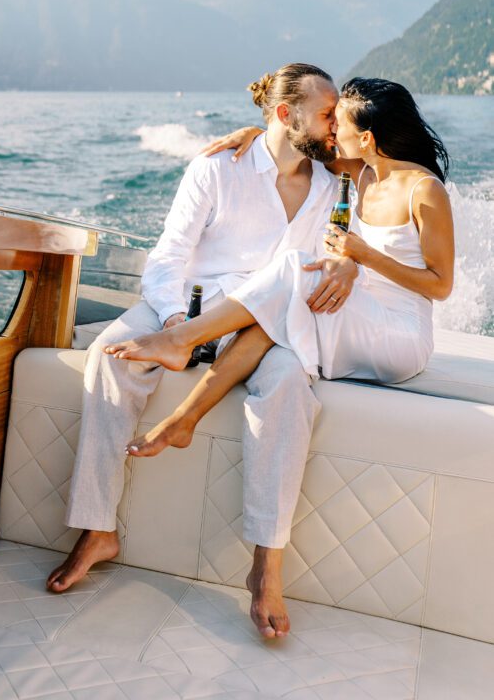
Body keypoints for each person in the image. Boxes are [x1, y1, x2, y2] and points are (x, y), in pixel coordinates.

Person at [104, 77, 454, 636]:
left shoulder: (423, 189)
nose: (330, 130)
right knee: (278, 313)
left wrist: (361, 256)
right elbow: (291, 140)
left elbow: (439, 286)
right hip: (357, 313)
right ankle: (186, 417)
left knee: (291, 274)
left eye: (338, 124)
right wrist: (255, 130)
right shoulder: (357, 172)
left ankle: (181, 341)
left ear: (367, 136)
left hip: (399, 336)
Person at [46, 63, 362, 639]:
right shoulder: (217, 167)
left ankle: (267, 563)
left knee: (290, 383)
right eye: (324, 113)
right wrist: (173, 320)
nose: (334, 123)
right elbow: (168, 257)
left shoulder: (329, 183)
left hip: (268, 324)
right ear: (285, 115)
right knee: (110, 354)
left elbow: (328, 255)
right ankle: (96, 530)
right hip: (188, 305)